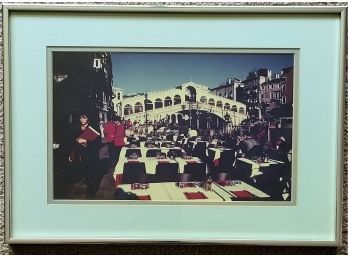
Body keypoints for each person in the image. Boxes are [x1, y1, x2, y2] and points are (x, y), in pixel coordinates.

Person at [69, 112, 101, 199]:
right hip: (81, 154)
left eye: (84, 118)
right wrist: (72, 153)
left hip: (91, 155)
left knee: (91, 174)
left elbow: (98, 143)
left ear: (88, 119)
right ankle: (89, 185)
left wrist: (86, 141)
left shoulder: (93, 128)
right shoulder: (77, 128)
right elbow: (74, 142)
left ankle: (91, 191)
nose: (82, 120)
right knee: (85, 174)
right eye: (81, 118)